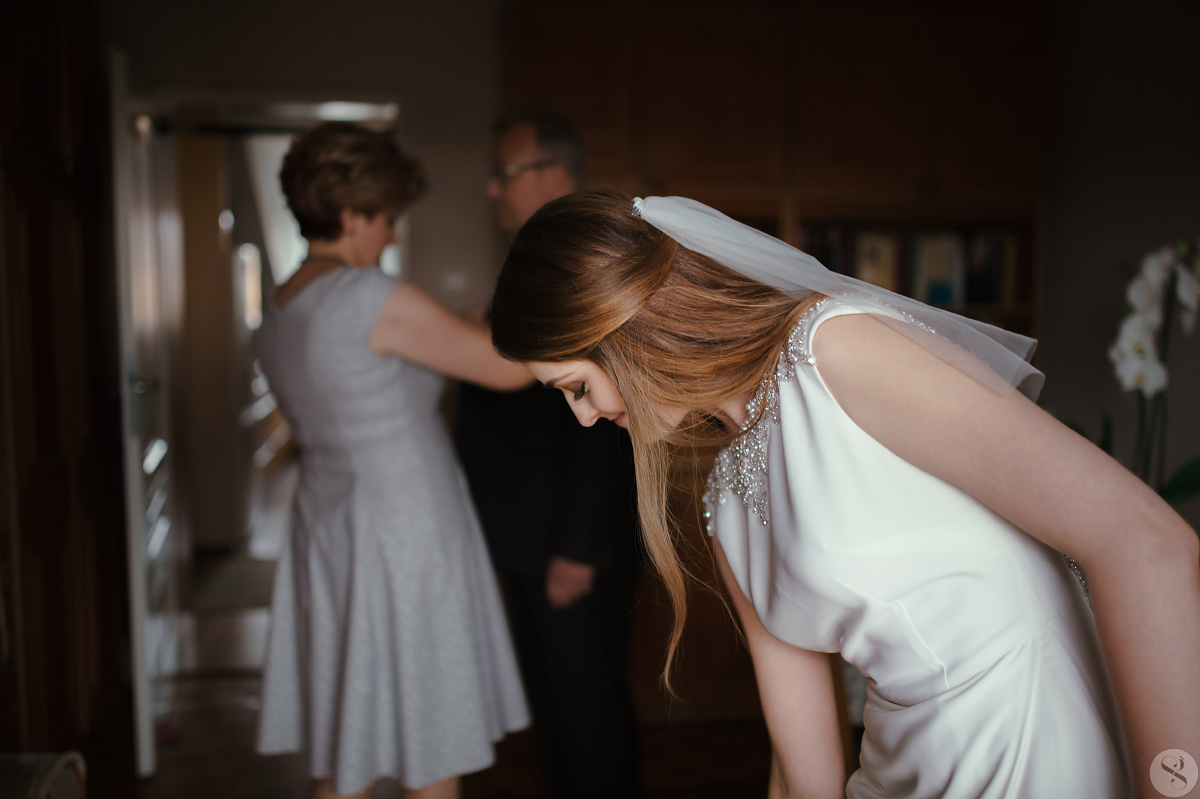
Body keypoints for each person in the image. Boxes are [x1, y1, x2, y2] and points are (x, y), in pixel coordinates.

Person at [487, 191, 1200, 799]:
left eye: (576, 387)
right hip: (900, 770)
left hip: (1030, 750)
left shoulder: (835, 351)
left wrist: (1173, 786)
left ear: (630, 334)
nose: (584, 418)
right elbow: (802, 768)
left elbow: (1145, 542)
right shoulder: (725, 501)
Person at [254, 121, 531, 799]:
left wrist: (460, 323)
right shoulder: (367, 297)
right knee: (432, 736)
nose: (393, 235)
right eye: (386, 219)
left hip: (332, 522)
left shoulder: (285, 301)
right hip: (404, 529)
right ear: (351, 214)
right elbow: (509, 369)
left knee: (346, 739)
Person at [455, 110, 641, 798]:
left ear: (553, 173)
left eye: (504, 173)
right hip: (529, 532)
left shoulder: (582, 260)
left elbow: (603, 419)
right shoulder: (541, 254)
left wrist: (576, 549)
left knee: (585, 705)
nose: (492, 189)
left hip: (567, 541)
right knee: (558, 709)